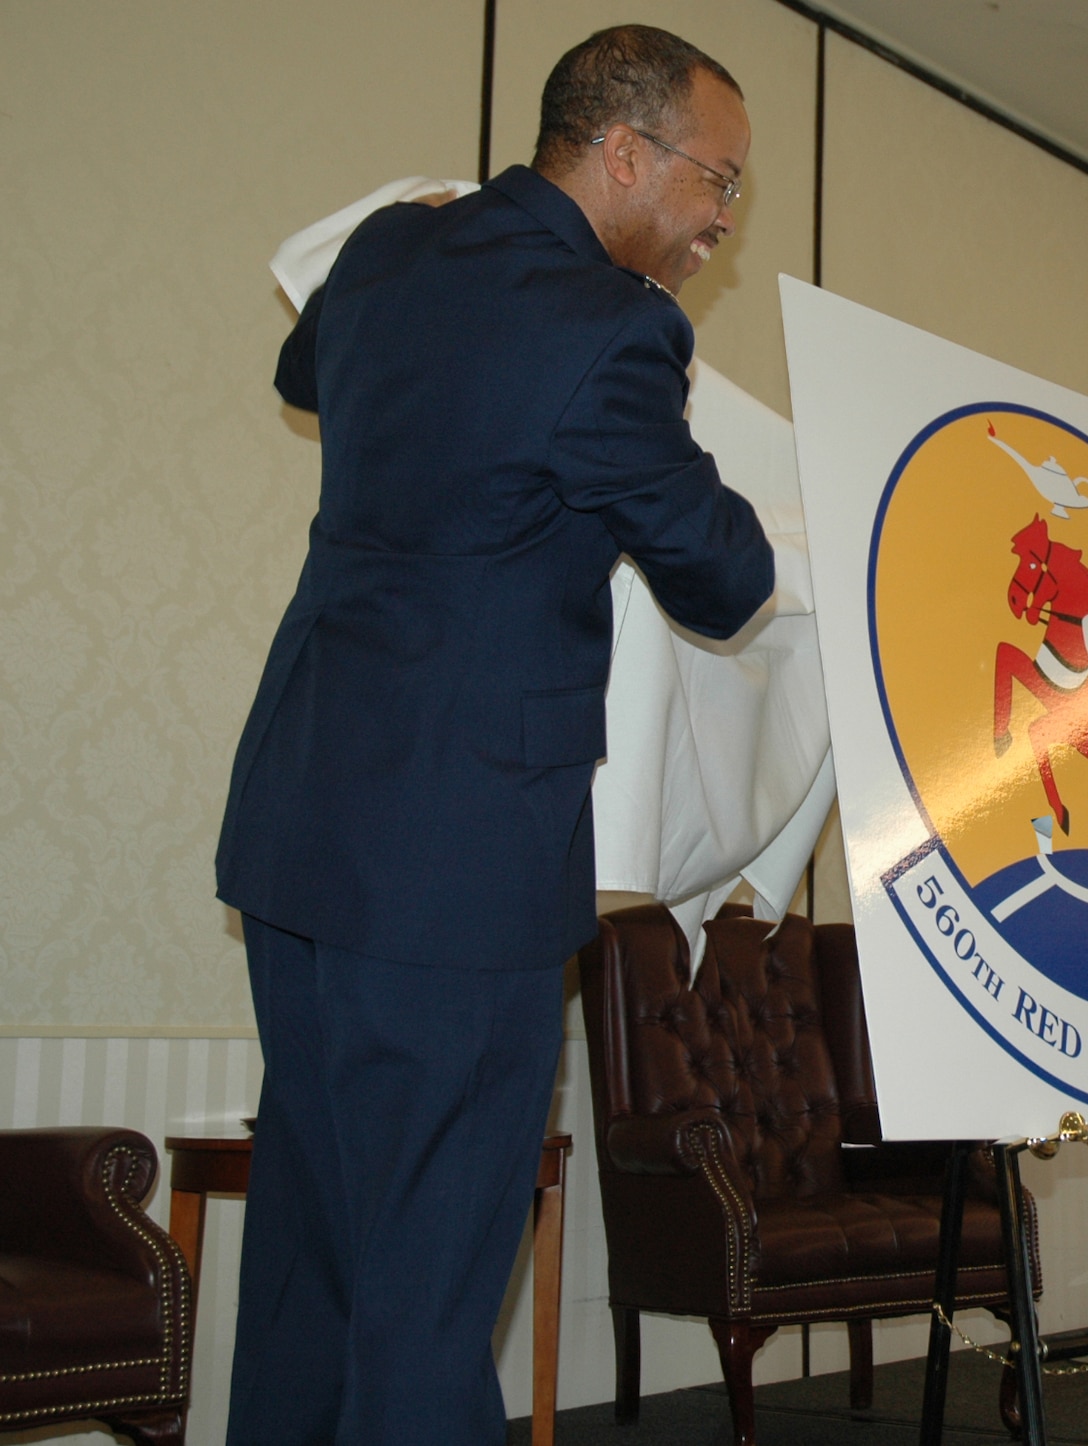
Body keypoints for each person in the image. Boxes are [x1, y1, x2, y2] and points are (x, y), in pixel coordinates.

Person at [214, 26, 772, 1445]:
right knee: (428, 1285)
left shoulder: (399, 250)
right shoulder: (613, 327)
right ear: (624, 153)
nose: (720, 220)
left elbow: (307, 375)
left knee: (314, 1257)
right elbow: (726, 577)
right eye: (716, 181)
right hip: (455, 873)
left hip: (299, 832)